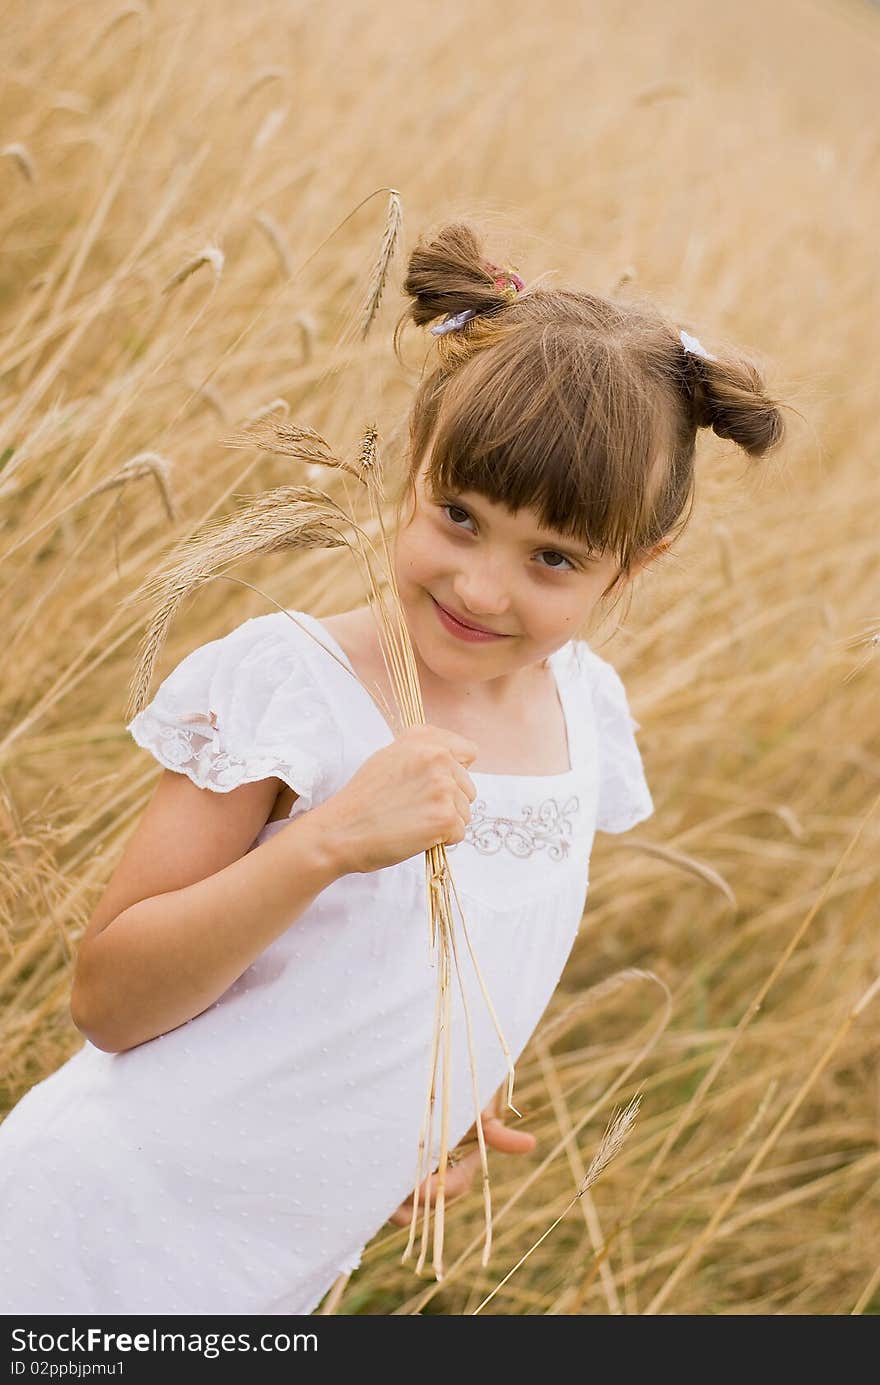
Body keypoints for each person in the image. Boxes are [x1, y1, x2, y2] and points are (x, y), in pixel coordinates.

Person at [0, 222, 785, 1316]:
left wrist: (436, 1100)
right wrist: (323, 843)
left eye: (552, 557)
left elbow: (439, 959)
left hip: (276, 1266)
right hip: (96, 1231)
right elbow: (110, 998)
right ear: (413, 466)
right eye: (456, 516)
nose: (480, 587)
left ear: (633, 565)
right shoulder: (290, 683)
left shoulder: (582, 711)